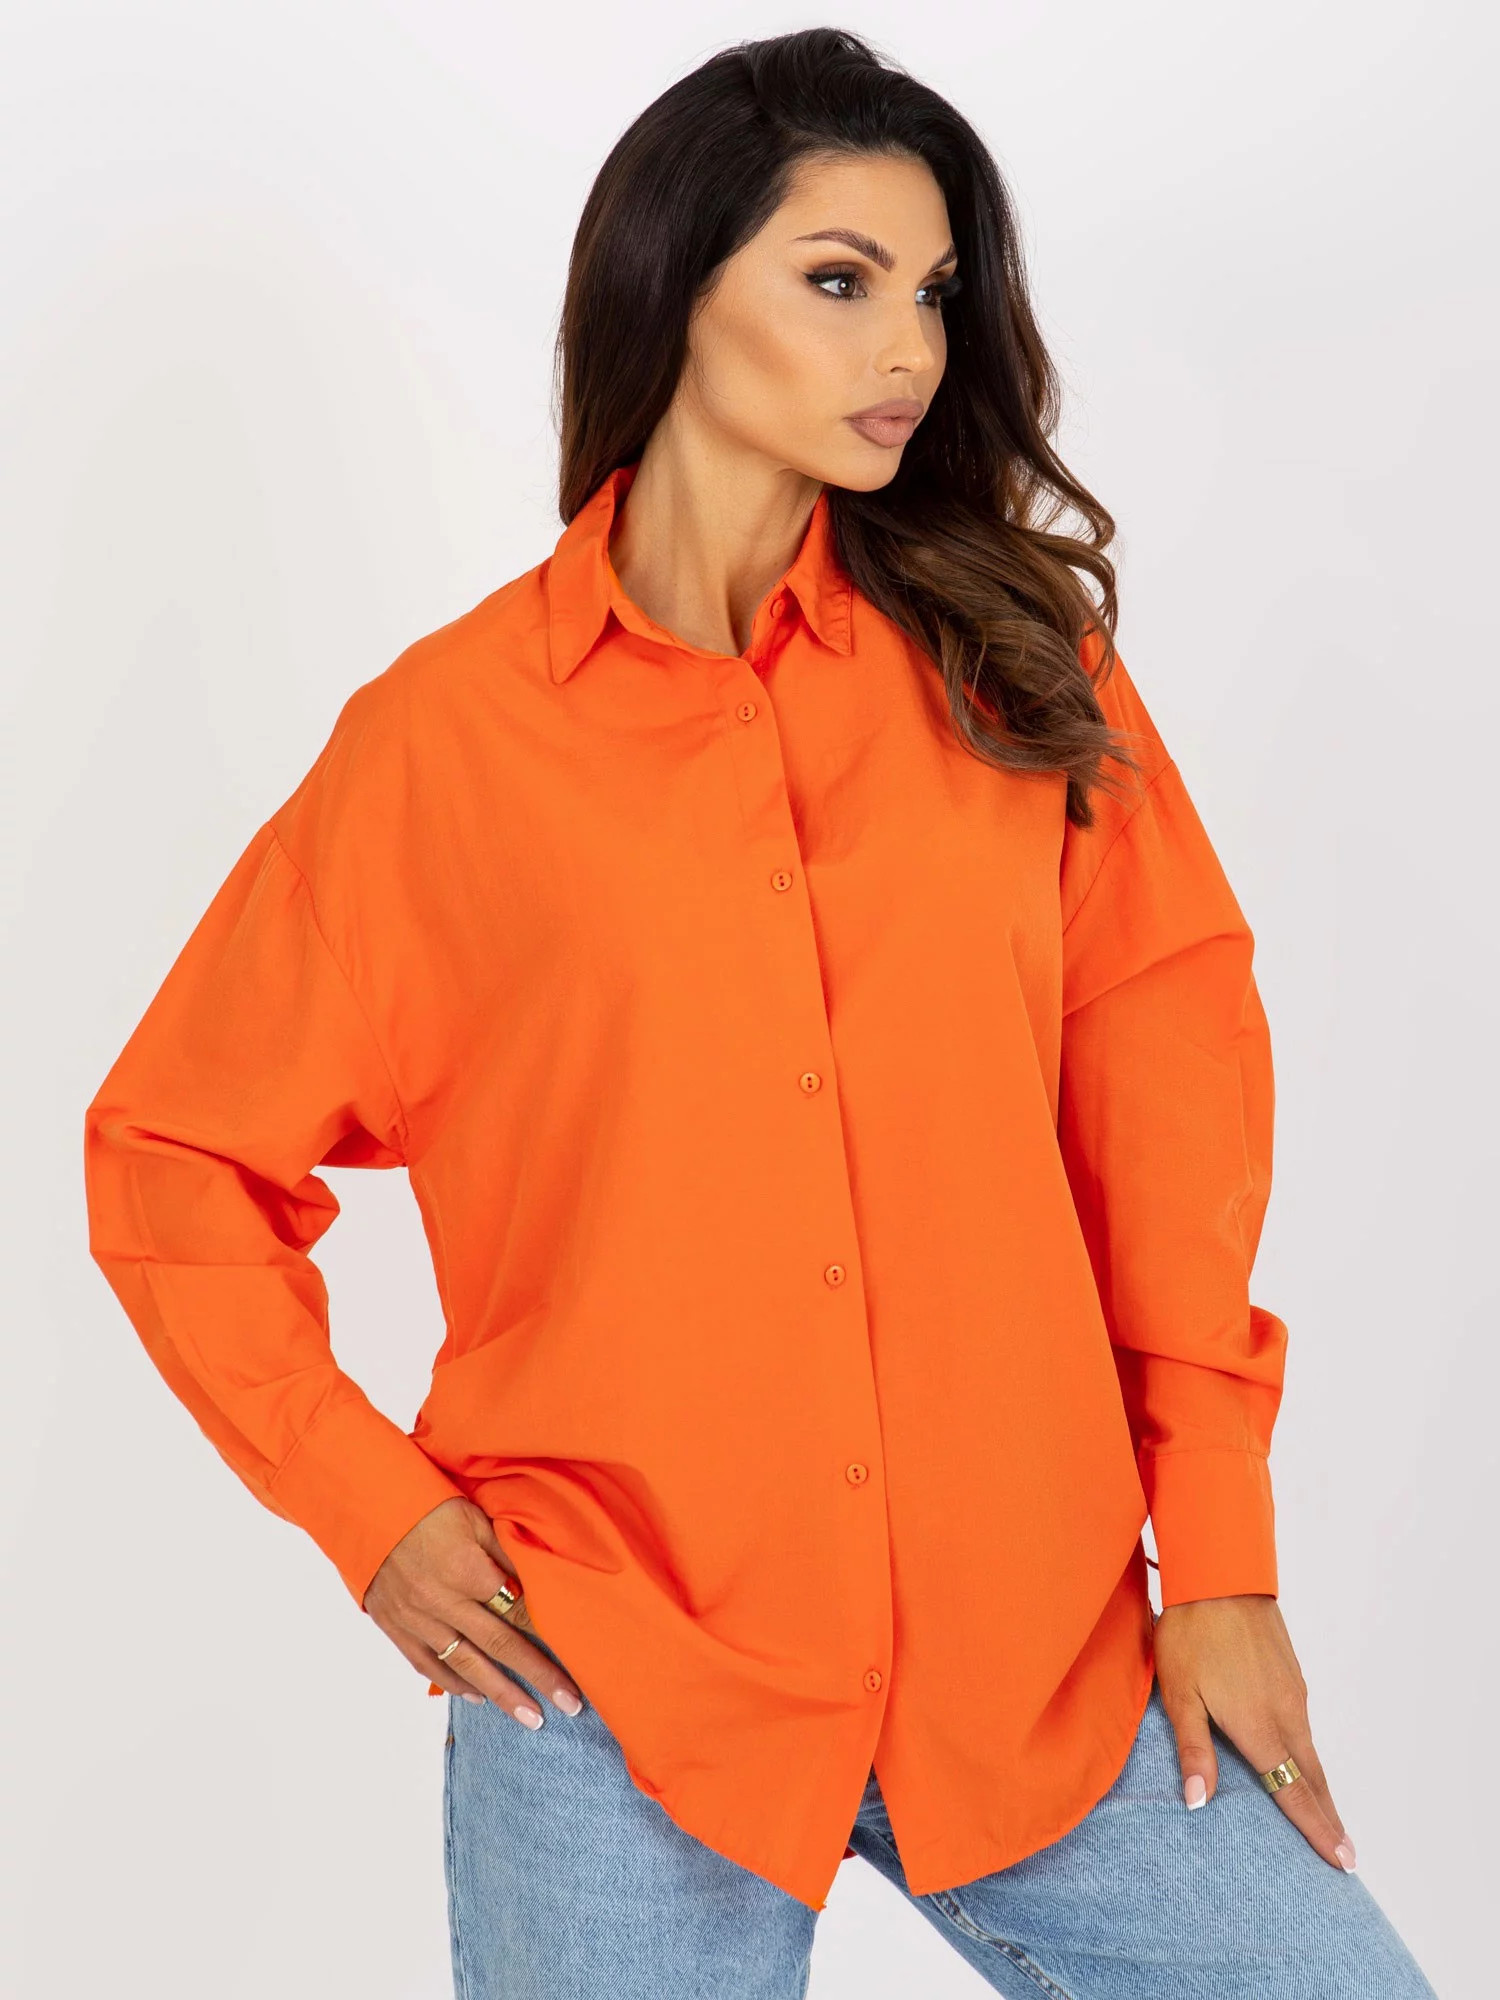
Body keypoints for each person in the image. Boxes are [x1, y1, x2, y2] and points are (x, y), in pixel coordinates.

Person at [82, 26, 1438, 2000]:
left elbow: (1170, 1091)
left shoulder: (1016, 671)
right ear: (673, 284)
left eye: (934, 293)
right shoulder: (442, 750)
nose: (910, 348)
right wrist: (369, 1511)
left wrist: (1219, 1554)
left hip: (1039, 1664)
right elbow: (173, 1157)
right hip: (614, 1685)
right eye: (839, 280)